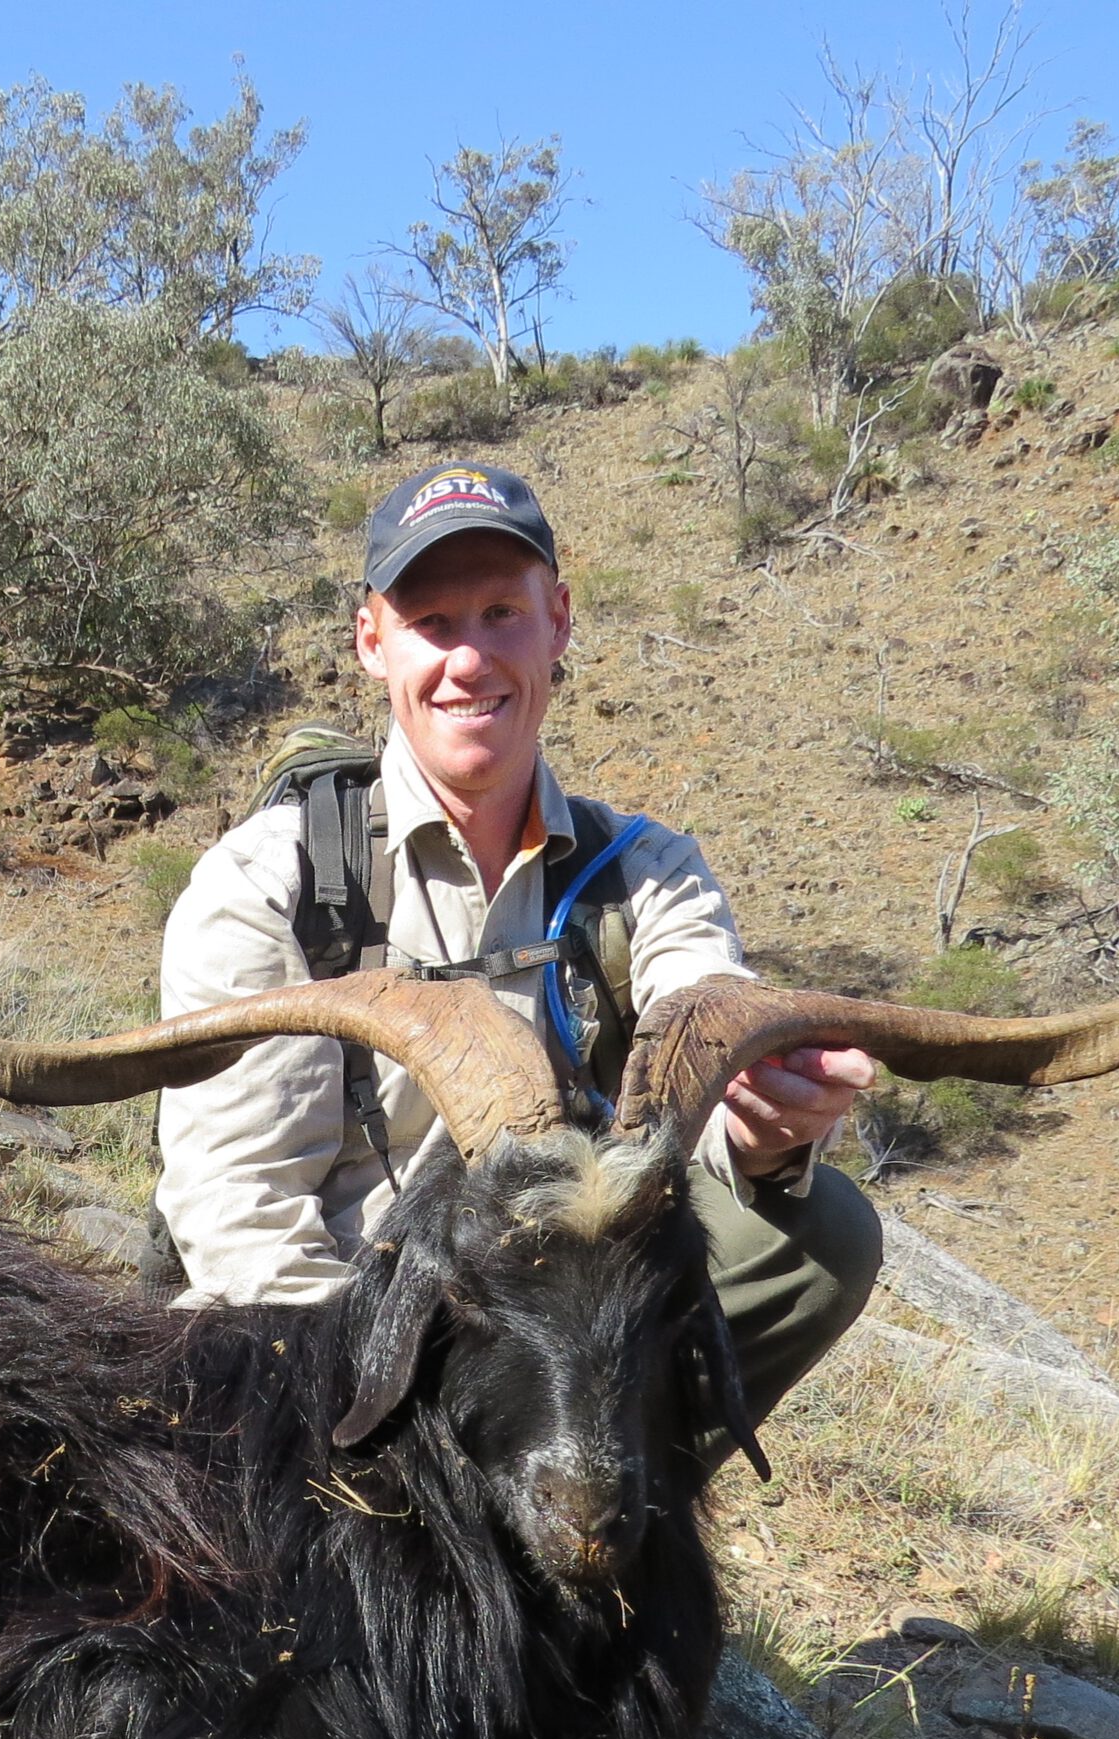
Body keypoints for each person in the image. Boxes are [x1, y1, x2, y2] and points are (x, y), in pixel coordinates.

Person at [152, 460, 884, 1448]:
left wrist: (765, 1120)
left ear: (561, 623)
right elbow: (243, 1223)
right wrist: (382, 1433)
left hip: (555, 1333)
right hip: (342, 1337)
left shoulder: (645, 871)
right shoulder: (270, 887)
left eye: (502, 612)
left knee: (824, 1235)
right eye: (433, 624)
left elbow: (704, 1006)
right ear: (373, 643)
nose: (469, 659)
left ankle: (604, 1507)